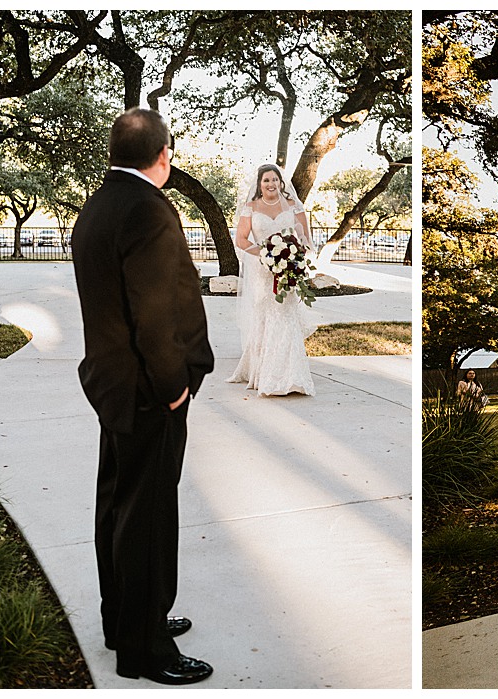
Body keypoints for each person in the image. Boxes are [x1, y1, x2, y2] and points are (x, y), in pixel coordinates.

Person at [71, 108, 215, 685]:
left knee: (118, 506)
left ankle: (127, 618)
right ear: (163, 155)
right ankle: (146, 650)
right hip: (149, 391)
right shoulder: (149, 211)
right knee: (148, 516)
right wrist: (174, 386)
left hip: (112, 387)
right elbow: (154, 318)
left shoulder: (96, 205)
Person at [227, 163, 315, 396]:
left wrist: (297, 256)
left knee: (285, 315)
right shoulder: (251, 207)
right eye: (266, 180)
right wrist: (266, 254)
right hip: (262, 271)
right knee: (264, 317)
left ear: (280, 182)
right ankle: (262, 372)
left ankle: (292, 375)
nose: (271, 184)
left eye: (274, 179)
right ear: (259, 184)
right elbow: (242, 241)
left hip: (288, 270)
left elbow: (304, 237)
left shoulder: (294, 205)